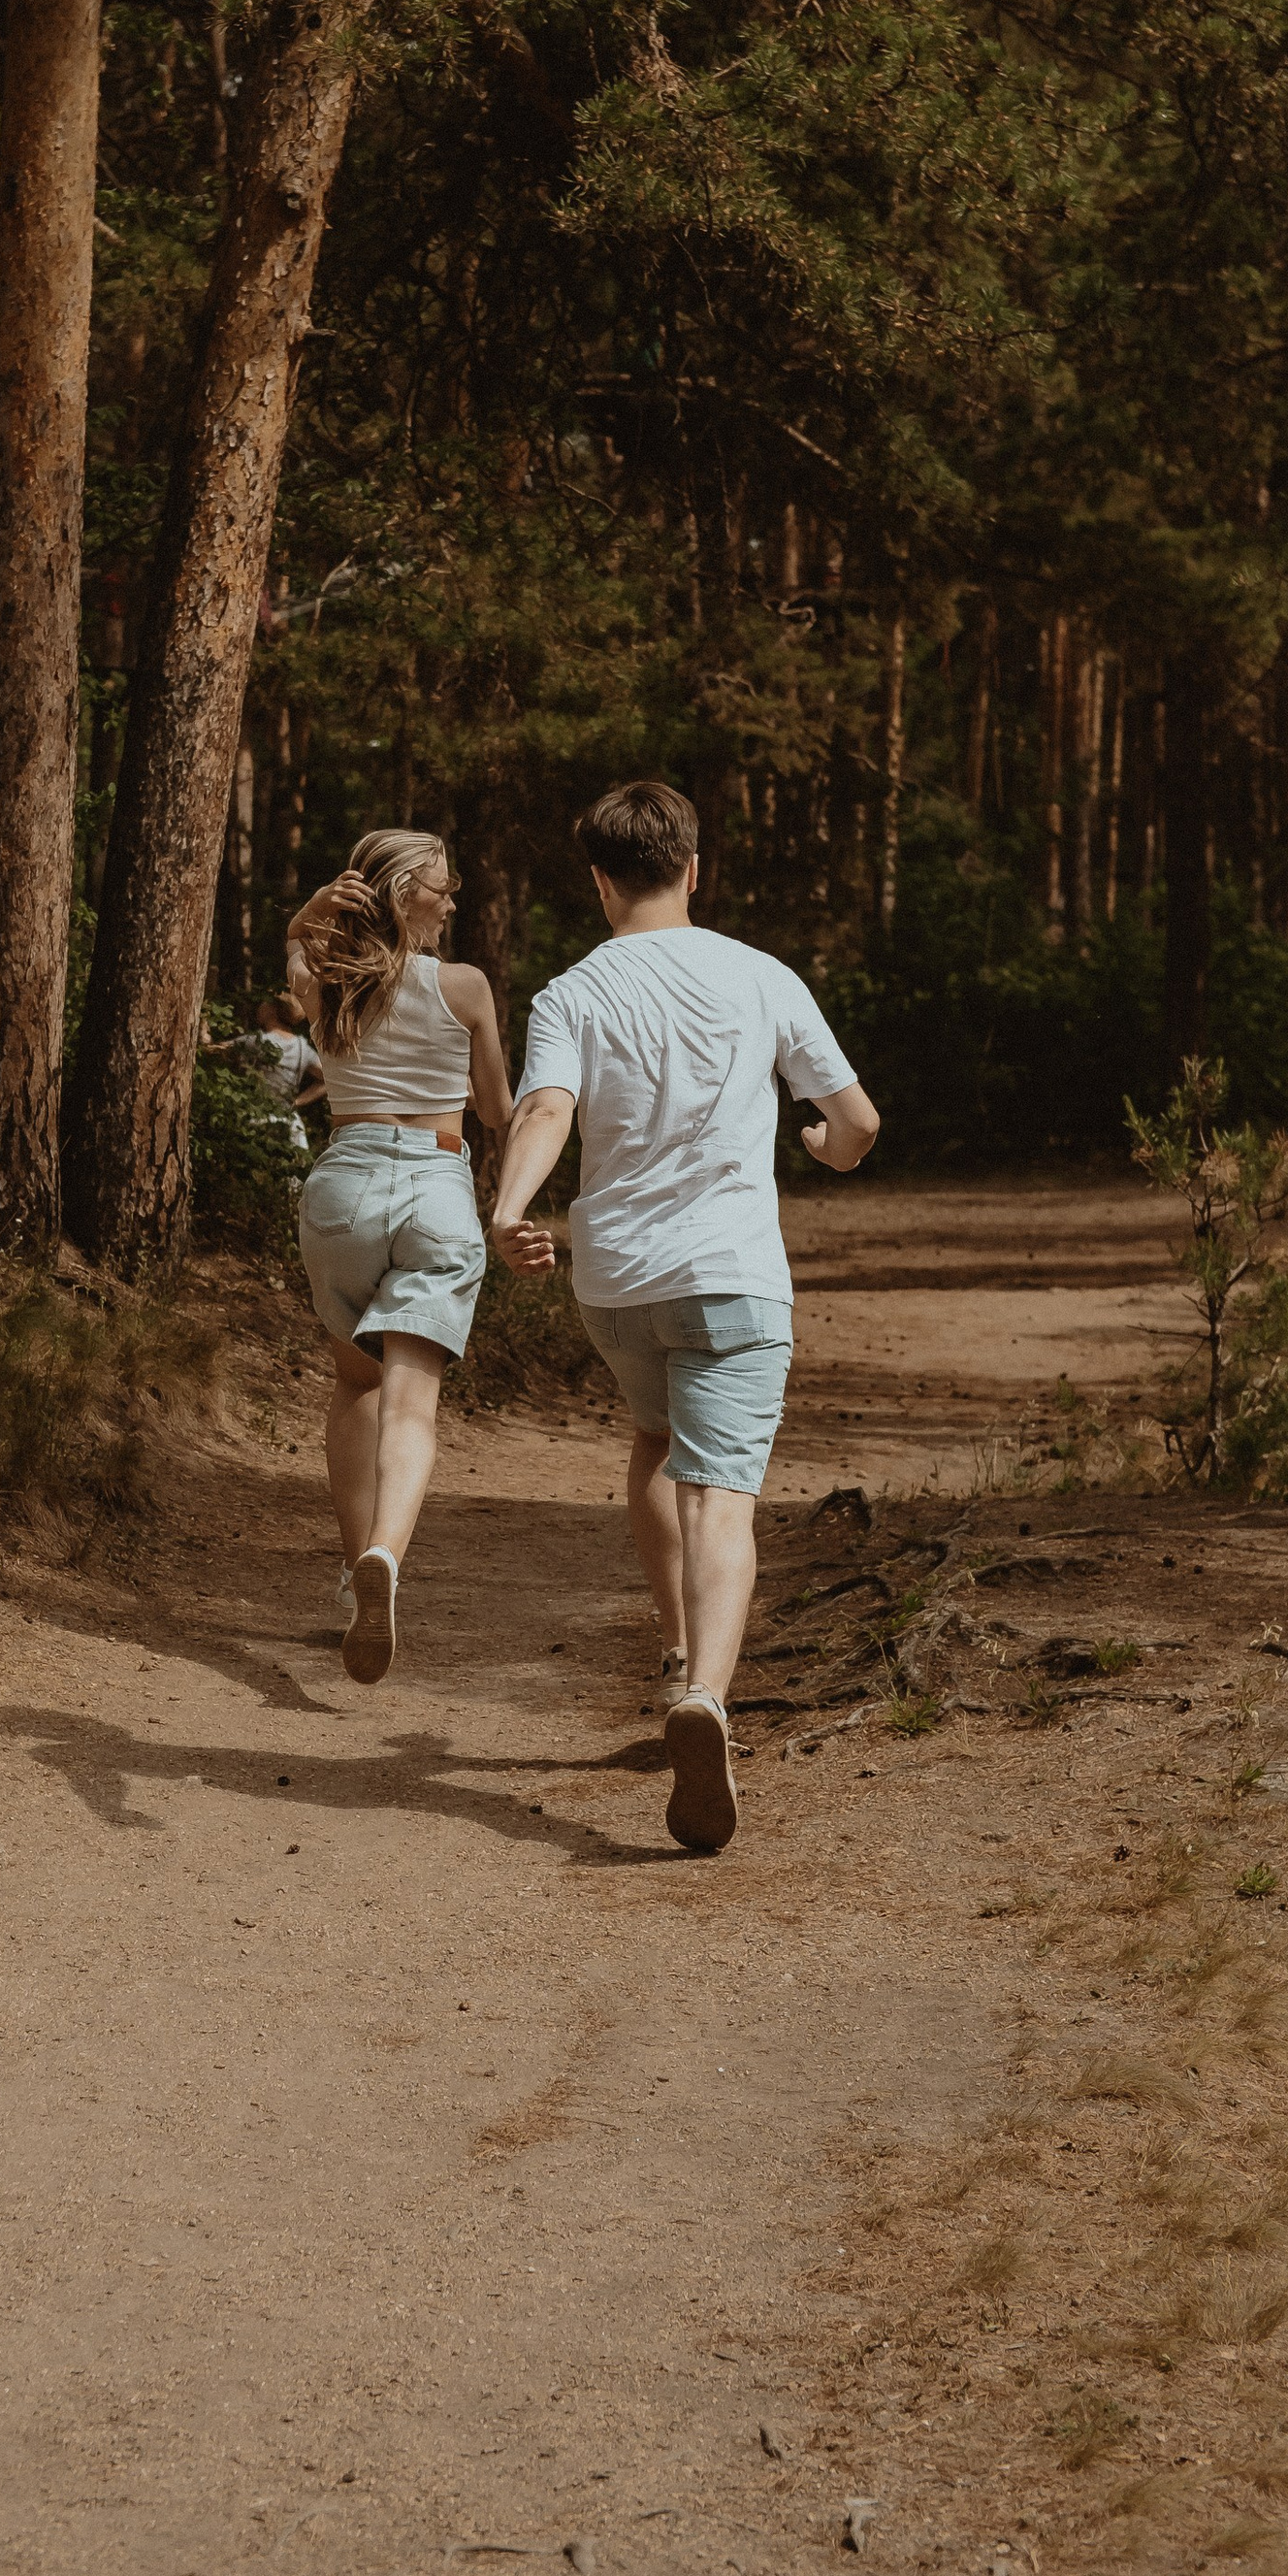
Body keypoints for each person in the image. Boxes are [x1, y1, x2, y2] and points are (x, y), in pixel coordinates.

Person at [487, 779, 881, 1854]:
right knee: (721, 1497)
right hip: (732, 1278)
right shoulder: (762, 977)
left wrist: (510, 1208)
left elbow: (546, 1108)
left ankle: (672, 1651)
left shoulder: (572, 991)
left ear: (602, 882)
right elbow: (853, 1122)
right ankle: (705, 1693)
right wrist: (819, 1149)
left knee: (656, 1441)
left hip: (614, 1285)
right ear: (693, 869)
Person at [285, 830, 513, 1685]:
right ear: (405, 892)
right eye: (443, 890)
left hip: (341, 1186)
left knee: (355, 1384)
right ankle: (388, 1549)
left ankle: (354, 1576)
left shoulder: (326, 983)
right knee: (411, 1402)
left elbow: (296, 948)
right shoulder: (464, 986)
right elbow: (495, 1111)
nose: (452, 905)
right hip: (433, 1188)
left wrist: (313, 909)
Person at [201, 989, 326, 1152]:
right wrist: (296, 1102)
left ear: (272, 1010)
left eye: (265, 1003)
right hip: (289, 1122)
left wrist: (203, 1029)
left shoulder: (259, 1041)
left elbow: (212, 1050)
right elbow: (327, 1080)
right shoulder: (302, 1047)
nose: (260, 1006)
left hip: (258, 1119)